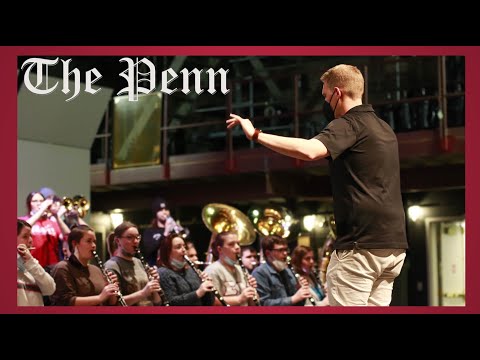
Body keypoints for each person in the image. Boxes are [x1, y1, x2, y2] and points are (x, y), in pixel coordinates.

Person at [227, 64, 408, 306]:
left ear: (337, 93)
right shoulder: (384, 128)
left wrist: (256, 134)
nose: (325, 101)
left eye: (325, 95)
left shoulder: (349, 124)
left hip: (360, 245)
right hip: (392, 246)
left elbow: (310, 150)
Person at [49, 225, 120, 306]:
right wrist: (99, 298)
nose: (94, 245)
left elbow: (110, 304)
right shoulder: (63, 268)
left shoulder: (96, 270)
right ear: (75, 244)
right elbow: (65, 302)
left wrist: (111, 290)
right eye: (89, 241)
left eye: (94, 242)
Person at [105, 221, 163, 306]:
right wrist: (143, 293)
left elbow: (157, 302)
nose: (135, 241)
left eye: (137, 237)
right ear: (118, 241)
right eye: (129, 237)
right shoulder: (112, 265)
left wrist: (155, 283)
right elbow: (115, 304)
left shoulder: (139, 262)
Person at [157, 233, 215, 306]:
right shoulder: (163, 273)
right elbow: (171, 302)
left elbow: (209, 303)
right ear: (167, 252)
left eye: (184, 246)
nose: (184, 250)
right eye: (178, 247)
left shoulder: (191, 270)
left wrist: (208, 289)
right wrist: (198, 293)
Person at [252, 235, 310, 306]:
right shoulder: (259, 273)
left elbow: (299, 304)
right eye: (280, 250)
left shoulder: (288, 271)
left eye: (286, 249)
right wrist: (293, 299)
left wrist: (300, 289)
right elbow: (263, 304)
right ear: (268, 253)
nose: (285, 253)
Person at [204, 231, 258, 306]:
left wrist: (253, 292)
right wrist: (239, 299)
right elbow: (211, 301)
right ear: (220, 249)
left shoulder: (241, 269)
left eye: (238, 244)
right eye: (231, 244)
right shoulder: (212, 271)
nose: (237, 247)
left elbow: (252, 304)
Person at [19, 191, 65, 269]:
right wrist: (41, 210)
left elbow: (66, 236)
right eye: (35, 201)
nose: (39, 203)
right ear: (29, 204)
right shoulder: (23, 220)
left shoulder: (52, 222)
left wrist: (56, 216)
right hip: (31, 265)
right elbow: (24, 227)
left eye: (41, 201)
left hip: (52, 266)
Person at [17, 219, 56, 306]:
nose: (31, 240)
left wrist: (30, 261)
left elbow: (50, 289)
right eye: (25, 236)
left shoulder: (31, 263)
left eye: (30, 236)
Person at [142, 197, 178, 266]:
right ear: (156, 213)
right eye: (161, 210)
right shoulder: (150, 231)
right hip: (156, 266)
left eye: (166, 209)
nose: (164, 212)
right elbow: (149, 250)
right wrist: (165, 232)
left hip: (173, 265)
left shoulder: (174, 230)